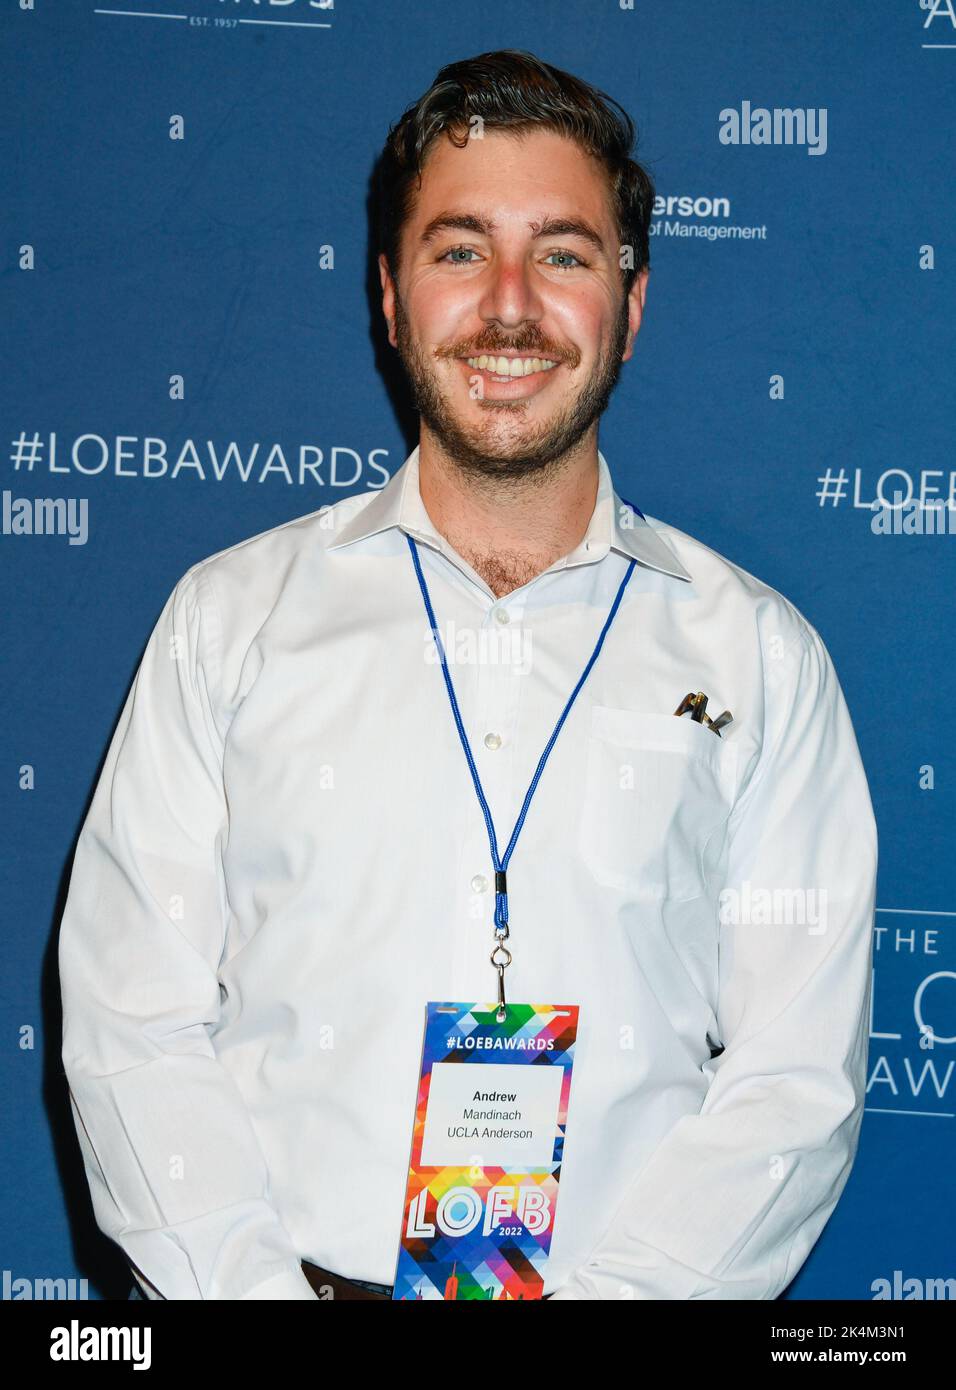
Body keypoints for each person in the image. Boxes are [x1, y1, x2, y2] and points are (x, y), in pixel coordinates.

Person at [59, 49, 877, 1301]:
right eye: (457, 251)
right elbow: (133, 1020)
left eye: (561, 252)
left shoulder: (759, 658)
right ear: (389, 297)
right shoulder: (229, 622)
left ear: (631, 300)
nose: (508, 305)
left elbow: (790, 1076)